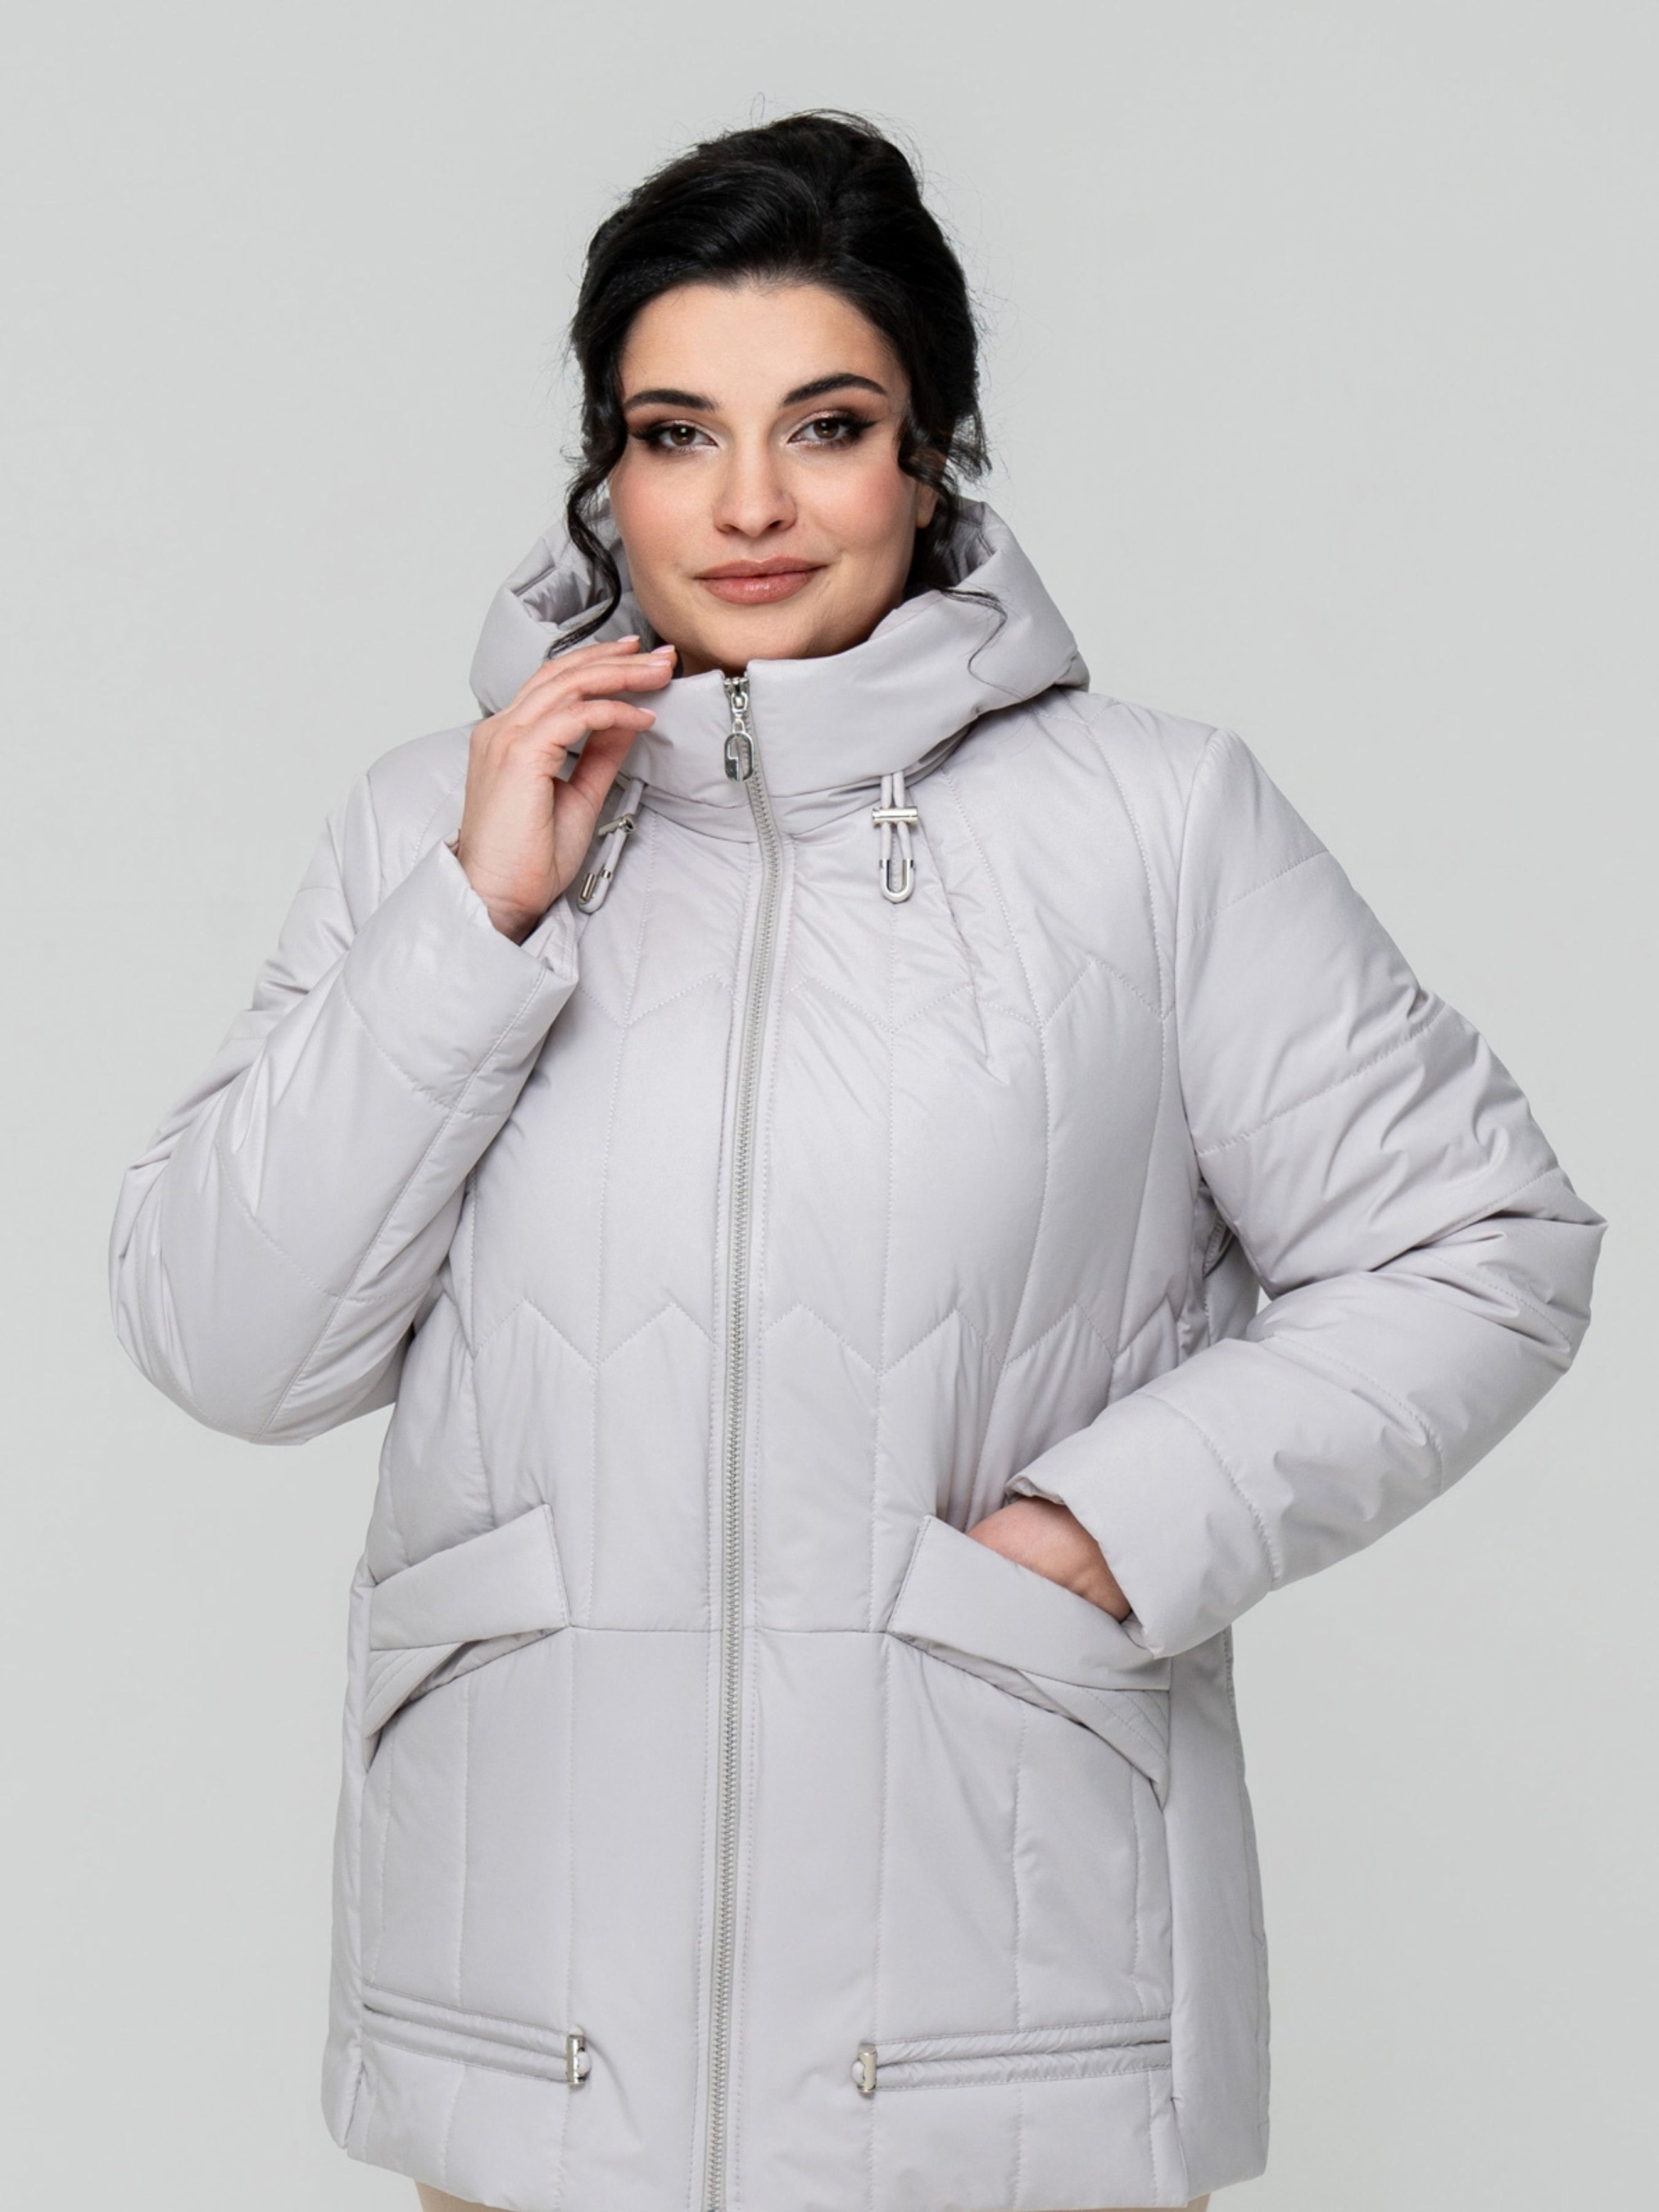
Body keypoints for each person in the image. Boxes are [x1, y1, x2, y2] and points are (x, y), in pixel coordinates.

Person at [108, 110, 1602, 2212]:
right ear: (604, 471)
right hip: (536, 2031)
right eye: (674, 433)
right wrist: (473, 918)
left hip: (1002, 2032)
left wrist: (1105, 1531)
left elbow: (1483, 1244)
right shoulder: (425, 832)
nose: (746, 504)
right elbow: (227, 1342)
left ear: (929, 454)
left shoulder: (1152, 828)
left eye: (823, 426)